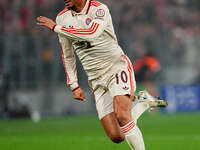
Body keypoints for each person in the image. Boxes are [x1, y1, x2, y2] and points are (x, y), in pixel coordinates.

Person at [37, 0, 167, 149]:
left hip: (116, 67)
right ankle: (143, 102)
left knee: (123, 117)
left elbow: (92, 34)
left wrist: (55, 27)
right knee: (117, 136)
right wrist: (74, 84)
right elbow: (68, 54)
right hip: (95, 79)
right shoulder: (62, 18)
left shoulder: (99, 9)